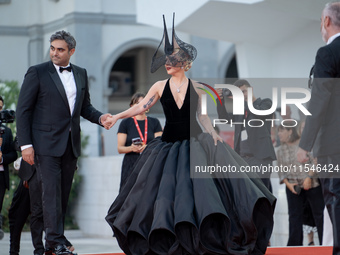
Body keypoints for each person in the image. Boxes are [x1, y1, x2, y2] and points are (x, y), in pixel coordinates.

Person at [105, 14, 276, 255]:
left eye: (172, 59)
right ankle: (170, 242)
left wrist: (213, 134)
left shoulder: (197, 87)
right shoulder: (158, 86)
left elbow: (204, 117)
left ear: (184, 63)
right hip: (167, 148)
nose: (168, 62)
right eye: (167, 59)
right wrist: (116, 116)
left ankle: (202, 241)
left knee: (201, 195)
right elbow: (140, 107)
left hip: (197, 145)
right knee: (168, 196)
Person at [16, 30, 112, 255]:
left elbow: (84, 107)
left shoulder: (80, 73)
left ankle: (55, 239)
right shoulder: (37, 72)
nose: (55, 53)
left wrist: (100, 118)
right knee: (50, 193)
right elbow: (23, 111)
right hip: (43, 145)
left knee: (62, 194)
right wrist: (25, 145)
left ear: (72, 51)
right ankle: (55, 242)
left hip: (70, 144)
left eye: (60, 50)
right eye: (52, 48)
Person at [297, 2, 340, 254]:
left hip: (334, 146)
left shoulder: (327, 53)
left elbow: (320, 99)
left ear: (326, 22)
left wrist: (305, 144)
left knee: (335, 200)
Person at [216, 79, 276, 190]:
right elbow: (224, 119)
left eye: (244, 92)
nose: (242, 95)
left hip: (260, 157)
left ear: (251, 89)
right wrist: (220, 100)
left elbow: (258, 112)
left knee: (262, 190)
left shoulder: (265, 103)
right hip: (242, 158)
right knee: (248, 192)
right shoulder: (240, 110)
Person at [277, 121, 324, 246]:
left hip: (311, 184)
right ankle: (293, 246)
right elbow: (281, 171)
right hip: (293, 187)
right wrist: (288, 184)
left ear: (290, 131)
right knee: (294, 217)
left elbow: (315, 161)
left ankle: (326, 243)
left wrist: (309, 177)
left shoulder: (304, 145)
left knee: (319, 215)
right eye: (279, 131)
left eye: (282, 131)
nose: (279, 134)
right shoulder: (280, 150)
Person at [117, 92, 162, 191]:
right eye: (137, 103)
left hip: (149, 161)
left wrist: (147, 147)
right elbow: (120, 148)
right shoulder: (126, 123)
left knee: (149, 193)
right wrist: (131, 148)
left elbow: (159, 144)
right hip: (131, 163)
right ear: (132, 106)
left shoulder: (154, 122)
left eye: (143, 103)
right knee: (128, 193)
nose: (141, 106)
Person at [0, 96, 18, 240]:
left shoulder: (6, 131)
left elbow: (13, 154)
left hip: (1, 178)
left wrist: (2, 158)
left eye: (0, 107)